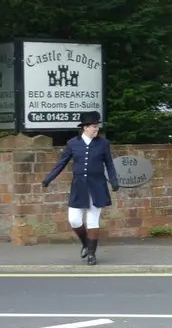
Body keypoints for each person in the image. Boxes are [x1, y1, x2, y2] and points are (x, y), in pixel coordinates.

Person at [41, 111, 119, 265]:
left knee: (93, 221)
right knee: (74, 220)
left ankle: (91, 253)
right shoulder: (72, 143)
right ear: (85, 128)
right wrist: (48, 179)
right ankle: (85, 242)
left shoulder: (104, 143)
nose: (96, 129)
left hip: (97, 187)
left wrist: (114, 180)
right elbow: (61, 163)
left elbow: (109, 163)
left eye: (97, 127)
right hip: (79, 188)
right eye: (94, 127)